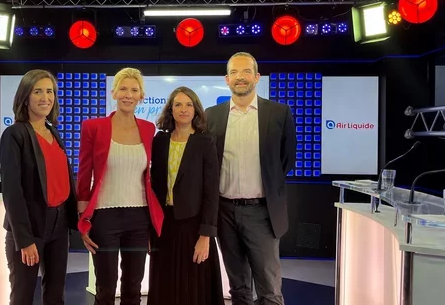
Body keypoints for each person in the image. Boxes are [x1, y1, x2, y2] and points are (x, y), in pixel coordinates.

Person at [205, 52, 296, 305]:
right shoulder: (211, 115)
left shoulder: (279, 113)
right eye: (234, 72)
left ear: (257, 77)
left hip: (262, 213)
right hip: (224, 212)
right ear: (226, 79)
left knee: (269, 289)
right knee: (238, 288)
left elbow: (286, 160)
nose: (240, 77)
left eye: (246, 71)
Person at [76, 67, 164, 305]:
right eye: (123, 89)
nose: (128, 95)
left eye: (134, 90)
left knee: (133, 287)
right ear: (113, 93)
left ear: (141, 96)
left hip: (139, 217)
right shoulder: (93, 127)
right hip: (104, 217)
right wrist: (83, 218)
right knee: (105, 287)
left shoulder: (148, 128)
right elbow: (84, 173)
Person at [0, 69, 78, 305]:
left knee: (55, 296)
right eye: (38, 92)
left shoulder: (53, 131)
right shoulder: (14, 134)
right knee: (22, 296)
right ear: (25, 96)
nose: (46, 97)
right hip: (30, 226)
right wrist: (24, 239)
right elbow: (12, 191)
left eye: (50, 91)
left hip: (59, 225)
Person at [148, 87, 223, 305]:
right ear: (170, 110)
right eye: (178, 104)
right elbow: (154, 187)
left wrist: (206, 235)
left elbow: (211, 191)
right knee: (165, 286)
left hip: (194, 228)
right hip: (164, 227)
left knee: (193, 289)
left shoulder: (205, 141)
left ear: (196, 110)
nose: (183, 109)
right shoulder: (160, 141)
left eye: (189, 104)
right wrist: (150, 230)